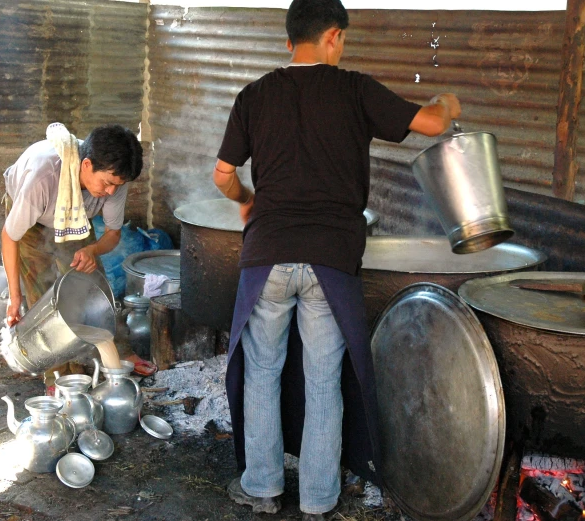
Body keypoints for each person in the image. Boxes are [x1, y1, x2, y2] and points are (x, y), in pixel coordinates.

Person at [212, 1, 461, 519]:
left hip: (269, 255)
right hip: (333, 257)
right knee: (323, 377)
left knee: (262, 372)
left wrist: (245, 199)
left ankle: (262, 488)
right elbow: (434, 123)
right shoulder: (355, 89)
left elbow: (222, 175)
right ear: (334, 37)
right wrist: (448, 101)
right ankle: (319, 499)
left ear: (288, 42)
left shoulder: (255, 95)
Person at [1, 123, 157, 392]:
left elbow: (112, 235)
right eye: (107, 183)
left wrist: (92, 250)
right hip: (31, 220)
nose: (110, 192)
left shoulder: (114, 180)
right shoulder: (43, 177)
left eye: (116, 186)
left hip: (73, 218)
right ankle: (58, 375)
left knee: (93, 285)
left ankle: (118, 350)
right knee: (42, 295)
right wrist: (15, 298)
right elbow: (10, 237)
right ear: (86, 165)